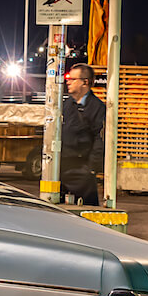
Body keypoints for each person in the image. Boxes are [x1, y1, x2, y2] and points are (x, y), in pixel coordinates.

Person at [61, 63, 105, 206]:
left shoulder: (97, 107)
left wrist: (91, 167)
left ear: (85, 82)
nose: (68, 82)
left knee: (88, 207)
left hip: (82, 167)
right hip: (62, 165)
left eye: (72, 79)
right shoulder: (67, 104)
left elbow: (100, 138)